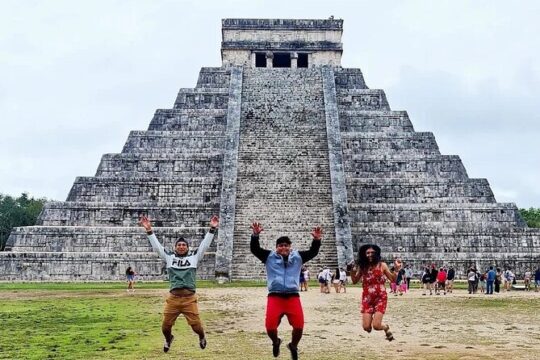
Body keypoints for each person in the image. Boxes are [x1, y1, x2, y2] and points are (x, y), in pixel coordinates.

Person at [139, 214, 218, 353]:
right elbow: (157, 247)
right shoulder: (169, 257)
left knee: (196, 326)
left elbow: (204, 245)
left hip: (189, 299)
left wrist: (212, 229)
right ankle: (169, 339)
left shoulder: (194, 257)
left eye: (184, 245)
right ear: (175, 247)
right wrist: (149, 230)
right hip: (173, 299)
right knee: (165, 326)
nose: (181, 247)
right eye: (179, 245)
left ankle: (202, 336)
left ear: (187, 247)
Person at [250, 221, 322, 360]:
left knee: (299, 327)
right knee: (270, 328)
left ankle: (293, 345)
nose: (283, 248)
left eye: (286, 246)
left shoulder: (298, 257)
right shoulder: (269, 257)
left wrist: (316, 240)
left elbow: (313, 252)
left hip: (292, 297)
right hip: (275, 297)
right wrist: (255, 235)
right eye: (280, 246)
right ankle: (276, 341)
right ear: (276, 247)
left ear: (290, 247)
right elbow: (255, 249)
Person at [350, 244, 402, 341]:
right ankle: (377, 326)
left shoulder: (382, 265)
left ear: (377, 254)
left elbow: (393, 280)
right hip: (367, 298)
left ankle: (386, 328)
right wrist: (352, 271)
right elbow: (354, 281)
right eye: (368, 253)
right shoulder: (362, 267)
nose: (370, 255)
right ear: (364, 254)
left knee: (377, 326)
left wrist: (396, 270)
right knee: (366, 328)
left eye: (372, 253)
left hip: (380, 297)